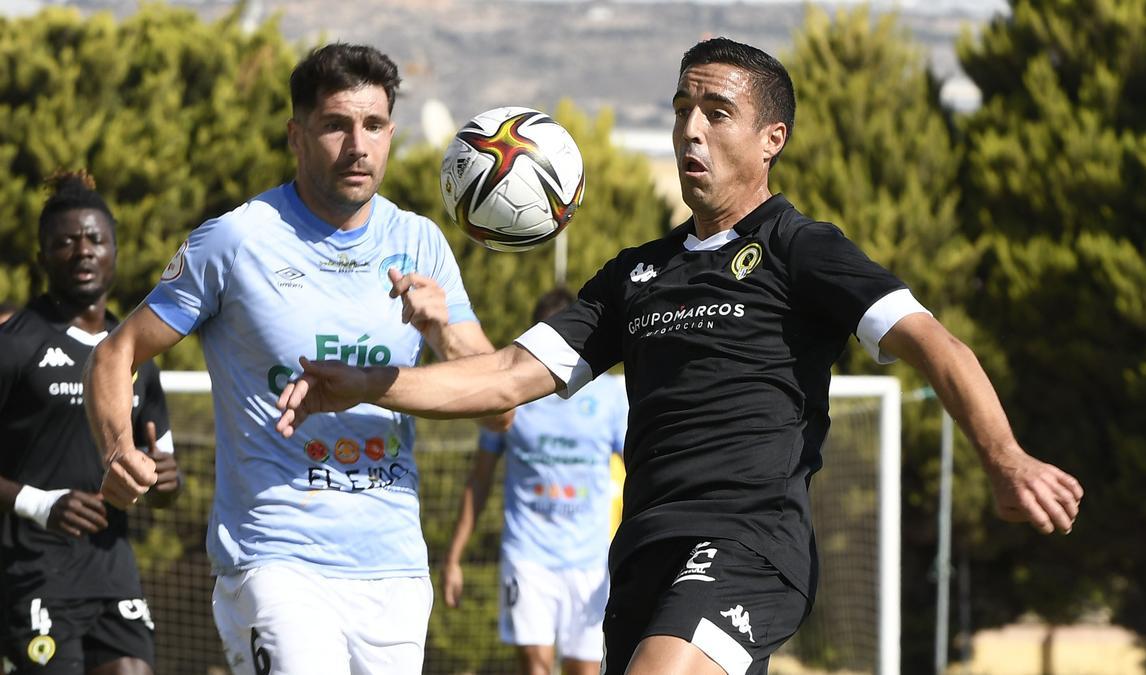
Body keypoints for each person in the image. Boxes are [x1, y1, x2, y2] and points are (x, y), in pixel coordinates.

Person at [284, 37, 1078, 675]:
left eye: (717, 111)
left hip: (748, 544)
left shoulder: (802, 250)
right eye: (681, 108)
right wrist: (364, 384)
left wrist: (1003, 458)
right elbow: (505, 377)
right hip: (640, 558)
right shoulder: (636, 273)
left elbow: (935, 343)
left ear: (772, 140)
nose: (690, 128)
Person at [83, 43, 507, 675]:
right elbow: (116, 353)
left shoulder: (420, 242)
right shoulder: (235, 240)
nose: (358, 145)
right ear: (296, 135)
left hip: (393, 568)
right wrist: (119, 450)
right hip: (275, 559)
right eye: (336, 124)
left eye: (375, 125)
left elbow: (498, 408)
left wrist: (444, 329)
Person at [0, 171, 180, 675]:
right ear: (42, 259)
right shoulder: (15, 343)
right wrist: (40, 504)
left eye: (95, 239)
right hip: (33, 572)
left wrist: (167, 480)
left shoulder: (135, 354)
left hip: (112, 571)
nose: (83, 251)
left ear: (115, 252)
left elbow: (164, 482)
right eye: (65, 242)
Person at [442, 288, 628, 675]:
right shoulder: (509, 397)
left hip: (590, 563)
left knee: (586, 670)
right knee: (535, 668)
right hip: (527, 558)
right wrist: (454, 556)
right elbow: (479, 480)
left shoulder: (610, 395)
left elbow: (644, 474)